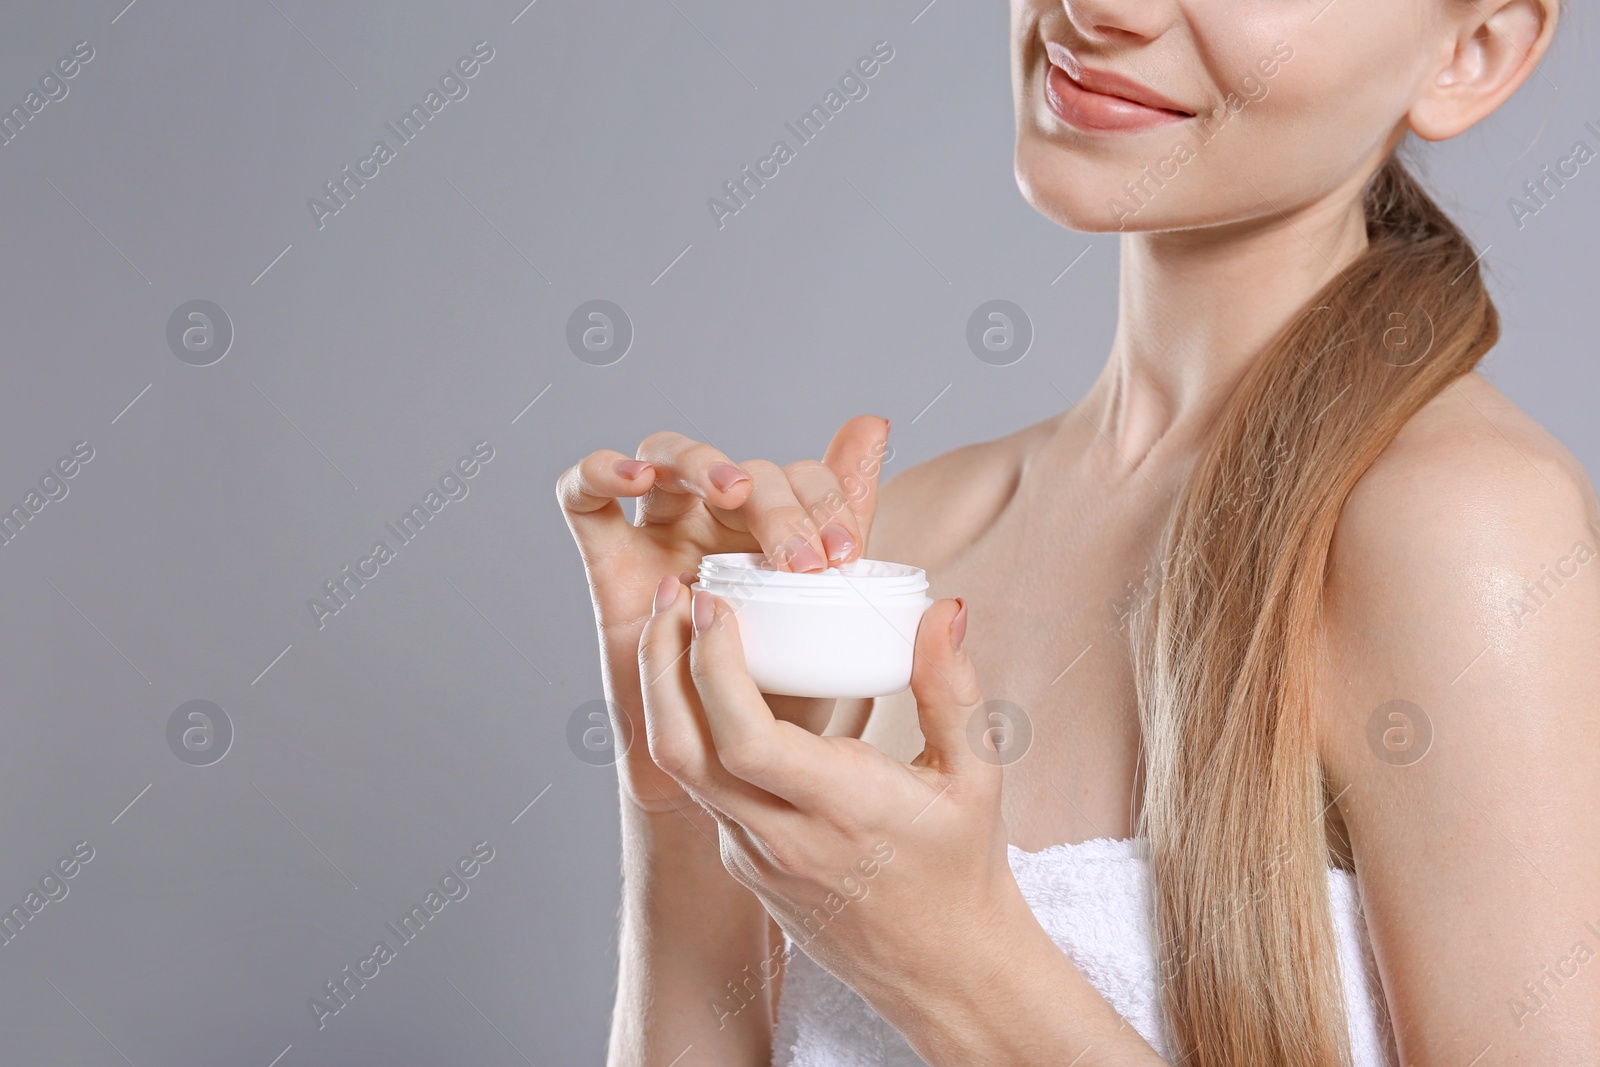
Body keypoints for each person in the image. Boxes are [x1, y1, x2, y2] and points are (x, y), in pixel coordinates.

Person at [557, 0, 1599, 1062]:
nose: (1105, 7)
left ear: (1474, 51)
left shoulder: (1462, 528)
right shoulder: (907, 537)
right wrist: (684, 801)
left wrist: (957, 964)